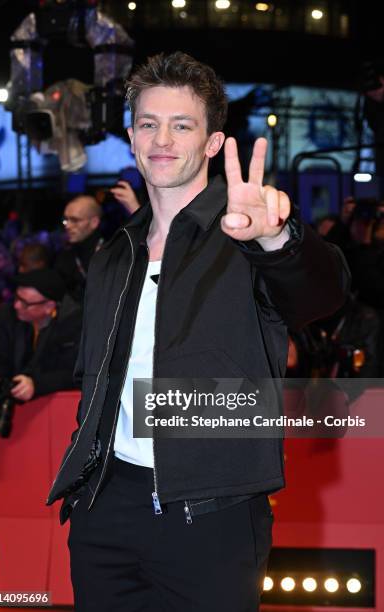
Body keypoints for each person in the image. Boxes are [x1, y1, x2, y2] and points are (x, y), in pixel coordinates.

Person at [47, 52, 349, 612]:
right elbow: (94, 376)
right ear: (132, 137)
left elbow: (322, 296)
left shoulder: (247, 238)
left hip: (211, 517)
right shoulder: (116, 253)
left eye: (181, 125)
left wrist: (275, 242)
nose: (162, 139)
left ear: (212, 143)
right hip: (105, 510)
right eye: (148, 124)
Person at [0, 269, 82, 401]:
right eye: (16, 297)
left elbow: (74, 372)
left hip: (55, 404)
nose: (17, 305)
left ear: (49, 306)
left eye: (25, 303)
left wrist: (36, 385)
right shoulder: (8, 314)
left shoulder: (74, 324)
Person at [54, 195, 103, 302]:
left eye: (75, 220)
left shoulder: (112, 253)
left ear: (94, 222)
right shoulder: (64, 256)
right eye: (66, 220)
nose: (68, 226)